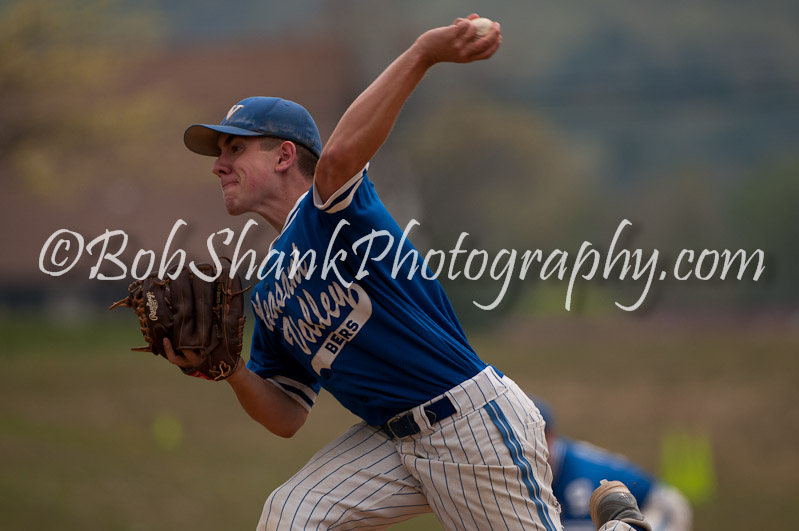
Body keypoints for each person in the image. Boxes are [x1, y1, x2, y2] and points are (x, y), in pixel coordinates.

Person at [165, 15, 564, 531]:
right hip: (390, 442)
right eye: (220, 154)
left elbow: (339, 156)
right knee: (290, 516)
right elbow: (287, 413)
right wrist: (231, 370)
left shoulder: (332, 213)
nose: (219, 165)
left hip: (470, 427)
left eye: (235, 149)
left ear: (286, 155)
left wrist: (423, 52)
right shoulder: (267, 291)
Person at [535, 399, 692, 531]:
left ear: (550, 436)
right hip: (621, 513)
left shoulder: (579, 480)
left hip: (656, 508)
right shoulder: (545, 462)